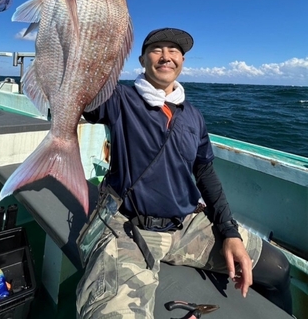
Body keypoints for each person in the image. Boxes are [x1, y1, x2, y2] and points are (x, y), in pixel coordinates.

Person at [76, 27, 292, 319]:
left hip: (186, 226)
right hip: (130, 229)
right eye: (157, 49)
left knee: (277, 267)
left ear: (182, 61)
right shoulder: (119, 99)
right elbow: (84, 93)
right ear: (141, 60)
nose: (166, 56)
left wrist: (229, 232)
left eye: (174, 50)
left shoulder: (193, 115)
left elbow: (205, 173)